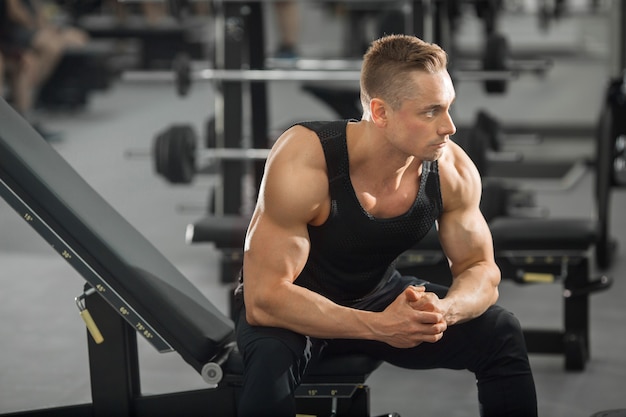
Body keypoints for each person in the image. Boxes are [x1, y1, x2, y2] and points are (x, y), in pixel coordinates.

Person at [234, 34, 538, 417]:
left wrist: (445, 310)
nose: (450, 127)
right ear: (380, 113)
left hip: (376, 293)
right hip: (294, 306)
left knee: (500, 332)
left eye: (449, 108)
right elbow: (264, 299)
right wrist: (378, 326)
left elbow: (481, 270)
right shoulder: (306, 160)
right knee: (268, 369)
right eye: (430, 112)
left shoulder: (451, 169)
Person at [0, 0, 88, 139]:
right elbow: (14, 12)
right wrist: (36, 28)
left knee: (31, 62)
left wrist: (45, 28)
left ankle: (25, 117)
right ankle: (12, 118)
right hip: (13, 32)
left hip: (17, 35)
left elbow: (37, 10)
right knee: (36, 55)